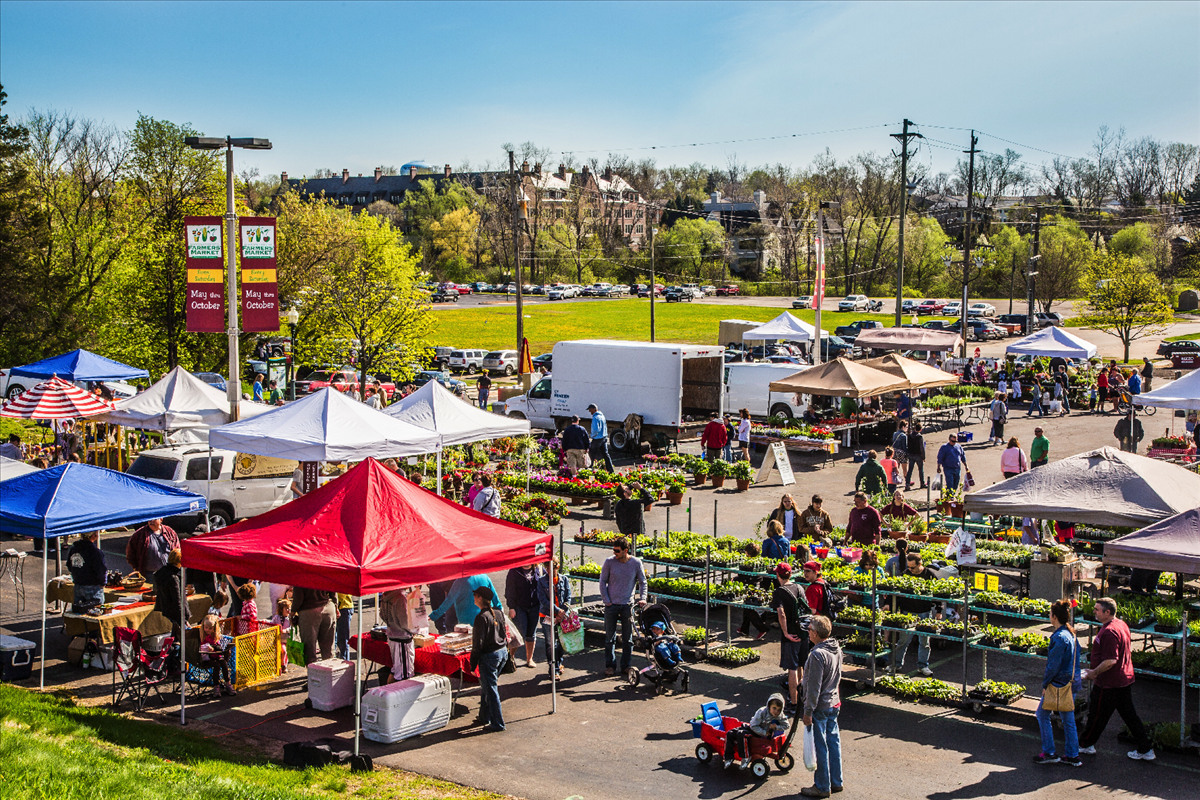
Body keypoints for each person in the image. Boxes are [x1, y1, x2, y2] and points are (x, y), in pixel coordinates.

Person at [1078, 596, 1154, 760]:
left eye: (1097, 610)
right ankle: (1145, 749)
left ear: (1107, 612)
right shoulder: (1121, 624)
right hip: (1123, 679)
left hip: (1109, 683)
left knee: (1096, 715)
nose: (1094, 612)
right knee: (1129, 716)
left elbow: (1111, 660)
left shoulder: (1109, 632)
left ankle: (1085, 745)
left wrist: (1093, 673)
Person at [1034, 599, 1083, 766]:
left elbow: (1052, 665)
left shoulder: (1059, 637)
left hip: (1058, 683)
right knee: (1067, 717)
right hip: (1071, 682)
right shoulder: (1071, 634)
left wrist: (1045, 685)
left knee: (1042, 714)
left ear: (1054, 617)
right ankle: (1072, 755)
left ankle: (1049, 752)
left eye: (1050, 614)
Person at [801, 615, 844, 798]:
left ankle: (822, 786)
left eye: (810, 630)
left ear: (816, 633)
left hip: (820, 706)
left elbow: (813, 688)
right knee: (833, 742)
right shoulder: (836, 649)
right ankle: (836, 781)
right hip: (834, 702)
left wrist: (808, 711)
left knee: (821, 746)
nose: (808, 632)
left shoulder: (817, 655)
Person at [600, 536, 647, 677]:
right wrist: (606, 600)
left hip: (628, 605)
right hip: (611, 606)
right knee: (609, 638)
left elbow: (643, 582)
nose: (614, 553)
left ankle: (626, 665)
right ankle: (610, 666)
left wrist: (642, 598)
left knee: (628, 639)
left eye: (617, 551)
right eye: (613, 550)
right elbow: (602, 581)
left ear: (626, 551)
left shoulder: (636, 563)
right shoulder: (609, 562)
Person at [771, 562, 810, 715]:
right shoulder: (799, 587)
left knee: (792, 669)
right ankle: (803, 698)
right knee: (802, 665)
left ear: (777, 575)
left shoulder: (780, 592)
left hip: (792, 634)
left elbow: (781, 613)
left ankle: (793, 702)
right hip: (804, 632)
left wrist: (786, 632)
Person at [469, 586, 509, 733]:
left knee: (490, 689)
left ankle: (498, 723)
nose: (473, 597)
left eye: (475, 595)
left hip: (490, 656)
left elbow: (477, 645)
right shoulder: (498, 612)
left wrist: (472, 665)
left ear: (480, 598)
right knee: (488, 686)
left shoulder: (481, 618)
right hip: (501, 653)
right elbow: (504, 633)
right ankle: (484, 716)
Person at [890, 553, 937, 676]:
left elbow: (937, 592)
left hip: (924, 612)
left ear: (920, 564)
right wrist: (891, 606)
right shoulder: (906, 574)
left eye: (913, 567)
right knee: (903, 641)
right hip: (907, 612)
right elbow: (897, 591)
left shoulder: (929, 574)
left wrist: (939, 609)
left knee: (924, 642)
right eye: (909, 567)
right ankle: (896, 664)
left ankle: (923, 666)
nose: (910, 570)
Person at [724, 693, 789, 770]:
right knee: (730, 733)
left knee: (741, 735)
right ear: (769, 706)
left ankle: (745, 757)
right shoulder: (762, 712)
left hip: (758, 734)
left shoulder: (780, 715)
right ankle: (729, 757)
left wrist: (776, 727)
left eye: (778, 709)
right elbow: (753, 726)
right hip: (754, 729)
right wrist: (764, 732)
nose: (776, 712)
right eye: (774, 708)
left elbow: (786, 725)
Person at [536, 557, 571, 678]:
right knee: (550, 643)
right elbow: (543, 600)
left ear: (557, 567)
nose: (549, 571)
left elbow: (568, 598)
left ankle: (559, 662)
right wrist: (557, 610)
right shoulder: (542, 581)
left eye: (551, 568)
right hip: (547, 615)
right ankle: (553, 668)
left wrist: (563, 612)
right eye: (546, 568)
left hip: (561, 616)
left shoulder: (564, 579)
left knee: (561, 641)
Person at [430, 574, 502, 629]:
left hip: (467, 624)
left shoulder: (459, 582)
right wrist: (500, 613)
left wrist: (434, 615)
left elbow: (448, 602)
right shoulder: (484, 577)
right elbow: (495, 598)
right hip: (488, 619)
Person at [505, 563, 541, 668]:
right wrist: (511, 607)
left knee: (531, 633)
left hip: (535, 606)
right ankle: (510, 657)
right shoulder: (514, 571)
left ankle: (529, 659)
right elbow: (509, 591)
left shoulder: (538, 569)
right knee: (519, 633)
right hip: (519, 607)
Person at [380, 588, 417, 682]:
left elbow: (382, 615)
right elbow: (405, 621)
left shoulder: (386, 595)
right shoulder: (400, 597)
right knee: (404, 673)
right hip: (402, 638)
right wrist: (415, 630)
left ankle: (390, 692)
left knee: (396, 669)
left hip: (392, 635)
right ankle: (400, 695)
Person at [292, 585, 336, 664]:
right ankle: (330, 671)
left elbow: (298, 598)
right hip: (328, 608)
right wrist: (335, 605)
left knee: (309, 647)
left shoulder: (301, 576)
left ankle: (313, 673)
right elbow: (333, 590)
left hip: (309, 610)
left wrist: (292, 612)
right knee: (328, 646)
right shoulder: (325, 572)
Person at [152, 548, 189, 639]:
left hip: (165, 609)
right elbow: (177, 600)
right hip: (174, 613)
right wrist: (182, 620)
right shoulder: (173, 577)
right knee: (177, 638)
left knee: (173, 637)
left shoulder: (162, 572)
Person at [67, 530, 107, 612]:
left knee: (79, 612)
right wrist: (103, 583)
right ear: (93, 536)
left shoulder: (74, 549)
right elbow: (101, 570)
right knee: (95, 614)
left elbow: (69, 565)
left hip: (78, 584)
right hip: (93, 587)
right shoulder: (95, 551)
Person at [198, 613, 235, 695]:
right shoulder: (202, 636)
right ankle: (216, 686)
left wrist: (213, 648)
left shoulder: (215, 636)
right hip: (206, 657)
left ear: (214, 629)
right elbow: (200, 647)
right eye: (206, 627)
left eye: (210, 628)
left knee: (223, 663)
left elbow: (218, 647)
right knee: (216, 665)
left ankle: (228, 683)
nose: (207, 630)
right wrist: (208, 648)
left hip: (216, 655)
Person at [587, 403, 615, 472]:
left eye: (590, 410)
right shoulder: (602, 416)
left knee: (591, 454)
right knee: (606, 454)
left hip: (597, 439)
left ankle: (589, 469)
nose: (589, 411)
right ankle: (611, 470)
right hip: (604, 437)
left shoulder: (595, 417)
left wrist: (592, 435)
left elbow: (596, 429)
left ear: (594, 409)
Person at [905, 421, 926, 490]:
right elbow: (921, 447)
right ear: (920, 430)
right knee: (920, 469)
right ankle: (922, 483)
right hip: (918, 455)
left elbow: (907, 445)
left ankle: (907, 484)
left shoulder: (909, 436)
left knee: (910, 470)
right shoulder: (920, 437)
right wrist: (923, 457)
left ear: (914, 428)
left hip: (911, 454)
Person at [335, 593, 354, 660]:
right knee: (335, 638)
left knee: (343, 639)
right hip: (341, 606)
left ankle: (345, 661)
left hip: (344, 607)